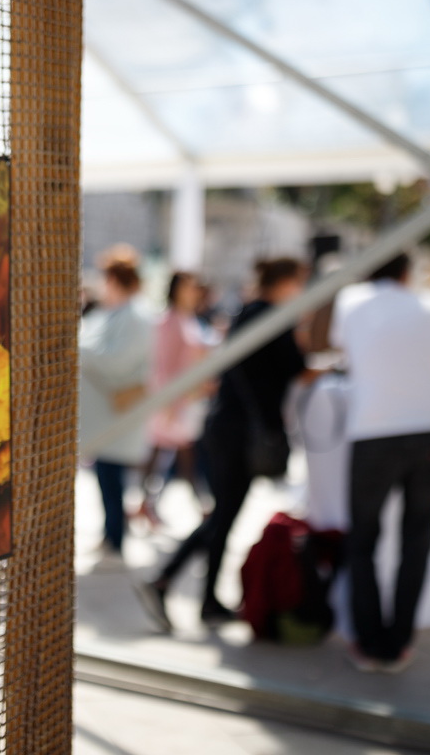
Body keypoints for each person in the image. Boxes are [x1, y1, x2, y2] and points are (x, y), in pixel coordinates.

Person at [137, 257, 309, 631]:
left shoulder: (249, 311)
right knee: (224, 514)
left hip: (227, 427)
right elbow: (295, 366)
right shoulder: (268, 315)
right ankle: (167, 581)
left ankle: (203, 598)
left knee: (224, 514)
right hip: (238, 431)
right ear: (286, 281)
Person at [331, 253, 430, 674]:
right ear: (406, 270)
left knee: (362, 538)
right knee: (416, 538)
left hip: (374, 429)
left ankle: (370, 642)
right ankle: (399, 641)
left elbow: (343, 352)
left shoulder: (351, 300)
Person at [79, 245, 153, 563]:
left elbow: (118, 361)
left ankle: (116, 539)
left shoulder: (134, 315)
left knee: (113, 481)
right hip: (107, 415)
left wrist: (80, 353)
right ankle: (111, 536)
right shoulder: (118, 313)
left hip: (116, 415)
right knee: (107, 480)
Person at [137, 272, 212, 527]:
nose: (192, 292)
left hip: (183, 400)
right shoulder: (169, 321)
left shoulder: (188, 319)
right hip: (172, 401)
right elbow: (163, 364)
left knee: (170, 454)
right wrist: (167, 401)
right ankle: (199, 505)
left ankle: (148, 504)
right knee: (178, 453)